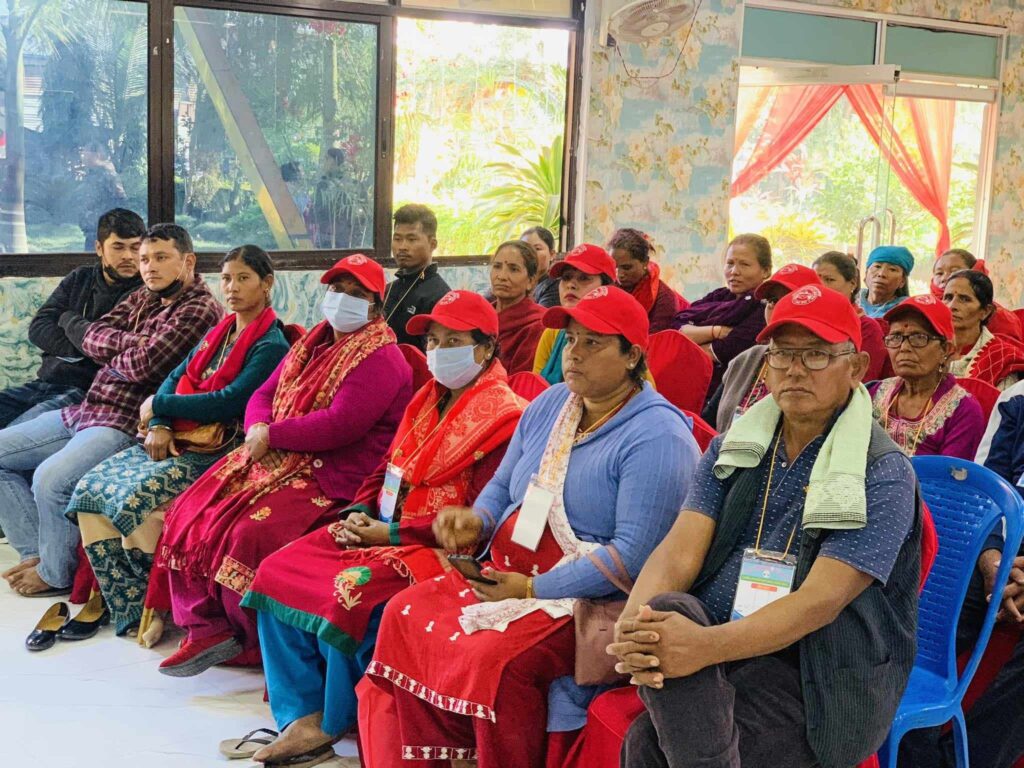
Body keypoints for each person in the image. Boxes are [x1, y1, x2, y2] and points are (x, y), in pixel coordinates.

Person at [357, 286, 701, 768]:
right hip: (510, 575)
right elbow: (503, 484)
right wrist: (478, 520)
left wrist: (534, 588)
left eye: (593, 342)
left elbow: (633, 556)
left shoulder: (658, 436)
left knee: (496, 661)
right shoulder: (552, 404)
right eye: (571, 339)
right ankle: (443, 757)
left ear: (632, 357)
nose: (573, 353)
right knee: (403, 612)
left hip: (589, 601)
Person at [614, 284, 922, 768]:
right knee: (665, 608)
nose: (795, 369)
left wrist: (703, 648)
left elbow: (822, 601)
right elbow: (679, 551)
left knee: (646, 744)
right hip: (724, 636)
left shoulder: (881, 471)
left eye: (816, 354)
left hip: (817, 667)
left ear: (857, 367)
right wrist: (634, 626)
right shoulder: (735, 446)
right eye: (781, 354)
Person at [236, 291, 524, 767]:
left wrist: (387, 535)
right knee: (277, 569)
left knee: (346, 590)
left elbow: (478, 520)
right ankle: (300, 714)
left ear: (486, 348)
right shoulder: (425, 400)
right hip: (380, 526)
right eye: (433, 341)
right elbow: (388, 468)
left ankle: (331, 721)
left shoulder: (506, 419)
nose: (439, 351)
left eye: (453, 341)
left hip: (435, 548)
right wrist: (358, 510)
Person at [154, 254, 413, 677]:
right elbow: (264, 392)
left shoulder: (383, 358)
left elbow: (340, 425)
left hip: (333, 474)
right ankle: (206, 627)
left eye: (356, 294)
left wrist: (273, 436)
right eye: (336, 289)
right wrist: (259, 428)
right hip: (280, 453)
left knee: (250, 531)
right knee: (192, 506)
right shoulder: (313, 343)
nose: (342, 299)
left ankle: (247, 642)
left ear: (375, 306)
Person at [64, 246, 291, 636]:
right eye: (226, 279)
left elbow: (229, 401)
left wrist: (158, 404)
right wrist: (159, 423)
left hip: (219, 447)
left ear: (266, 283)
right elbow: (176, 375)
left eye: (243, 279)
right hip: (176, 435)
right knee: (90, 487)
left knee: (132, 499)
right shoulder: (219, 332)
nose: (232, 288)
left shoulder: (270, 345)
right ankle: (125, 604)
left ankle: (152, 604)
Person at [0, 223, 222, 597]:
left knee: (50, 480)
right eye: (145, 259)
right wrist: (132, 342)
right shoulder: (145, 295)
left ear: (188, 261)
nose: (149, 267)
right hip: (85, 408)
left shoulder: (199, 309)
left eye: (161, 257)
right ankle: (38, 555)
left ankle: (56, 575)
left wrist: (118, 351)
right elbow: (90, 337)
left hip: (123, 422)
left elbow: (144, 365)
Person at [900, 382, 1024, 768]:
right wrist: (993, 560)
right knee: (941, 597)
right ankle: (906, 745)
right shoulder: (1017, 398)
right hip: (1004, 548)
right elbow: (987, 490)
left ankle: (954, 762)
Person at [0, 208, 145, 428]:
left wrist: (68, 319)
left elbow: (115, 349)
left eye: (135, 248)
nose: (128, 256)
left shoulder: (145, 293)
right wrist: (85, 349)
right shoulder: (81, 278)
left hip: (84, 392)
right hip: (44, 382)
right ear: (99, 248)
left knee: (15, 433)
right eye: (118, 247)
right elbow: (39, 327)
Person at [868, 295, 984, 459]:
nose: (904, 347)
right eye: (896, 337)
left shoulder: (963, 411)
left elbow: (947, 474)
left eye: (919, 337)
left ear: (946, 349)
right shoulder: (874, 393)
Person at [710, 264, 820, 433]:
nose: (778, 309)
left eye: (789, 300)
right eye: (772, 301)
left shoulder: (822, 367)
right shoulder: (747, 359)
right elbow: (708, 423)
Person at [672, 234, 773, 394]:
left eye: (744, 264)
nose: (734, 271)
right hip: (688, 382)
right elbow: (675, 327)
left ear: (765, 271)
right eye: (730, 263)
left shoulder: (763, 308)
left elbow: (724, 350)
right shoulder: (720, 296)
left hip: (727, 390)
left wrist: (691, 335)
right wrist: (716, 331)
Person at [532, 244, 617, 385]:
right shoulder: (552, 333)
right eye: (566, 277)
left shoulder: (620, 338)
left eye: (584, 278)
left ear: (606, 287)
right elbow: (535, 387)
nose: (571, 285)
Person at [812, 250, 887, 381]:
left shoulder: (866, 328)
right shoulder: (806, 323)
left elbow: (863, 382)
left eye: (829, 280)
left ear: (852, 283)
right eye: (816, 279)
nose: (821, 286)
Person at [383, 204, 451, 349]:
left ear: (432, 244)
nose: (402, 247)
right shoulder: (389, 289)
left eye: (411, 239)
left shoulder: (440, 297)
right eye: (397, 239)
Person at [945, 270, 1024, 391]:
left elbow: (1001, 402)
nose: (952, 306)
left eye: (965, 299)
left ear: (986, 311)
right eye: (948, 297)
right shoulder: (927, 348)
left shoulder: (1002, 358)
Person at [930, 247, 1022, 340]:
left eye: (955, 271)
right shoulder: (926, 311)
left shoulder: (1001, 319)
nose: (944, 278)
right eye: (939, 273)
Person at [609, 227, 687, 333]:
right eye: (614, 267)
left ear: (645, 262)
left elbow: (655, 341)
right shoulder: (605, 286)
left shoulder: (664, 299)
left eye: (627, 268)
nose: (619, 274)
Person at [490, 240, 546, 375]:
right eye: (497, 266)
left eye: (513, 269)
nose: (502, 276)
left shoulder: (537, 325)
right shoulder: (480, 317)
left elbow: (522, 380)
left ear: (531, 281)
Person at [77, 142, 128, 251]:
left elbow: (121, 199)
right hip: (92, 232)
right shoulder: (92, 174)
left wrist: (111, 225)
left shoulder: (107, 174)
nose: (83, 157)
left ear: (97, 154)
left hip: (104, 232)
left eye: (85, 153)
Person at [860, 245, 914, 318]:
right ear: (866, 273)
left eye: (892, 269)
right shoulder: (852, 299)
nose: (881, 274)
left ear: (902, 281)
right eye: (877, 266)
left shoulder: (905, 311)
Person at [522, 226, 561, 308]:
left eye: (537, 248)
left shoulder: (555, 286)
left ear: (552, 254)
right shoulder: (514, 283)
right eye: (525, 249)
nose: (530, 253)